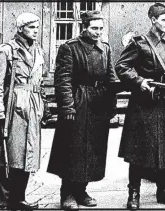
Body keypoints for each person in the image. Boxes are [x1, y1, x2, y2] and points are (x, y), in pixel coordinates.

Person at [115, 3, 165, 209]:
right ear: (153, 20)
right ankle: (134, 194)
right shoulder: (140, 43)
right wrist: (139, 82)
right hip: (144, 102)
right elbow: (122, 66)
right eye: (163, 20)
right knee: (138, 150)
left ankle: (164, 191)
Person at [47, 11, 118, 209]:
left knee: (92, 150)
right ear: (84, 27)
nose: (98, 33)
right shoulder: (70, 48)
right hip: (78, 101)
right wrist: (67, 107)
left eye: (101, 29)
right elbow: (63, 80)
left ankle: (82, 190)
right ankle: (67, 193)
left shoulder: (105, 48)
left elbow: (111, 78)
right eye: (94, 28)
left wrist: (112, 105)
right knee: (73, 149)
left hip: (98, 103)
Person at [0, 12, 50, 210]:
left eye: (37, 28)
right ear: (20, 29)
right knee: (6, 156)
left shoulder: (38, 52)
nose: (36, 31)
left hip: (33, 108)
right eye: (31, 27)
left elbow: (40, 82)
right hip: (12, 111)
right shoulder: (6, 51)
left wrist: (44, 108)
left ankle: (17, 199)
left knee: (28, 156)